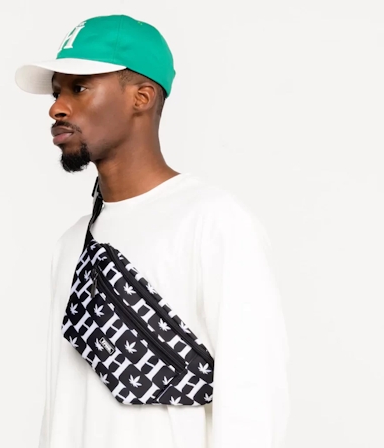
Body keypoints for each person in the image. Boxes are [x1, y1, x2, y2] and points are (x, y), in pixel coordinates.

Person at [15, 13, 290, 448]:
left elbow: (252, 401)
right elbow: (62, 406)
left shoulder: (213, 222)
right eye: (56, 92)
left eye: (79, 88)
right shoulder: (70, 246)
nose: (56, 108)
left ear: (141, 97)